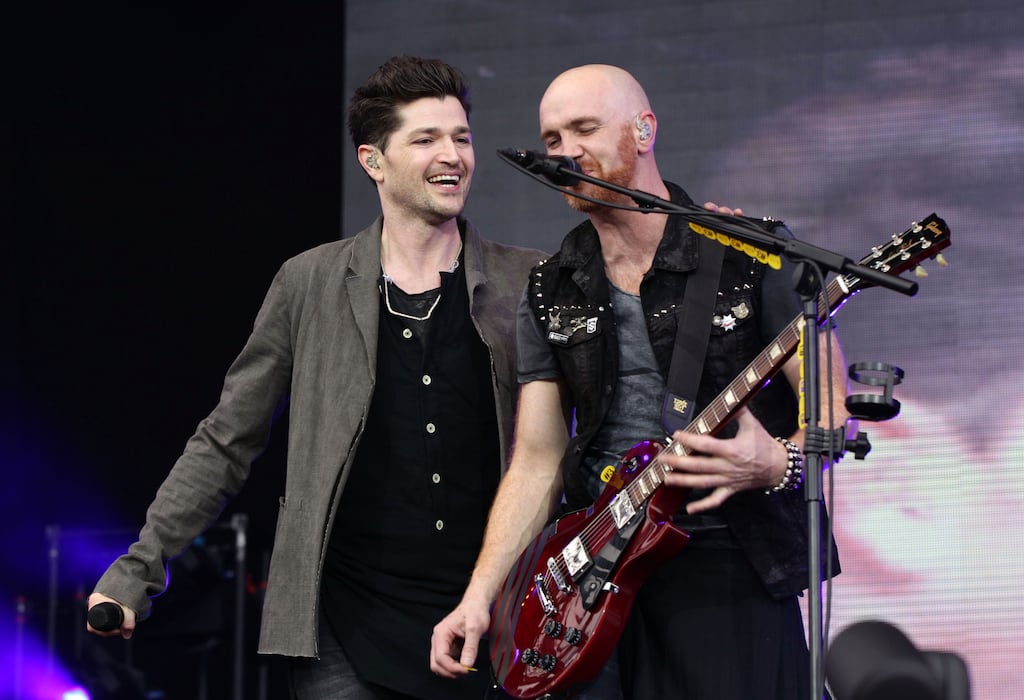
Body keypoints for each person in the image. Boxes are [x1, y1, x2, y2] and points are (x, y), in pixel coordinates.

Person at [87, 55, 545, 700]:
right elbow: (227, 438)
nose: (454, 155)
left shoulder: (529, 281)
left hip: (497, 612)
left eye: (461, 137)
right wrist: (140, 567)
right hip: (345, 623)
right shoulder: (309, 283)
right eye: (426, 139)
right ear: (373, 161)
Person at [430, 64, 854, 698]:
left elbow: (834, 409)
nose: (566, 151)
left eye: (584, 128)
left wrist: (782, 462)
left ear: (643, 129)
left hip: (727, 557)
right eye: (551, 139)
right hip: (594, 580)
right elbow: (537, 461)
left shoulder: (747, 251)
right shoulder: (553, 283)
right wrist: (479, 597)